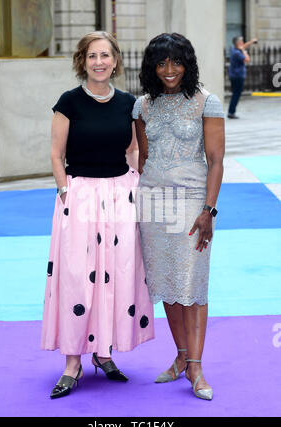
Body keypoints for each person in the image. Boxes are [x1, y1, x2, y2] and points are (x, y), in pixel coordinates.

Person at [41, 31, 154, 399]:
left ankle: (104, 353)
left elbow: (134, 150)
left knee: (116, 274)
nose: (100, 62)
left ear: (116, 60)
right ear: (83, 61)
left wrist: (142, 190)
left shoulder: (128, 103)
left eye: (106, 55)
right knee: (77, 277)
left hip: (121, 196)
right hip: (81, 196)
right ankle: (72, 362)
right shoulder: (69, 102)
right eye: (92, 56)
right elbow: (57, 154)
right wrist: (64, 192)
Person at [133, 33, 225, 400]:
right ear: (151, 68)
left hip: (191, 200)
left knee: (192, 283)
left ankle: (198, 369)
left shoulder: (207, 102)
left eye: (176, 62)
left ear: (188, 63)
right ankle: (182, 357)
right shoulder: (141, 106)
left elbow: (216, 160)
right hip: (153, 201)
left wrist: (208, 209)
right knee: (168, 282)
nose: (169, 70)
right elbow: (143, 159)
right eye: (161, 63)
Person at [228, 36, 257, 119]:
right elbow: (247, 59)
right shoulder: (237, 53)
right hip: (238, 76)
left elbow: (244, 46)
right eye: (242, 41)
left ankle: (231, 111)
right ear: (238, 43)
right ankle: (231, 112)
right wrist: (244, 51)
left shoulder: (233, 49)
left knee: (235, 93)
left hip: (234, 75)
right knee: (236, 94)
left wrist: (251, 41)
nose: (243, 43)